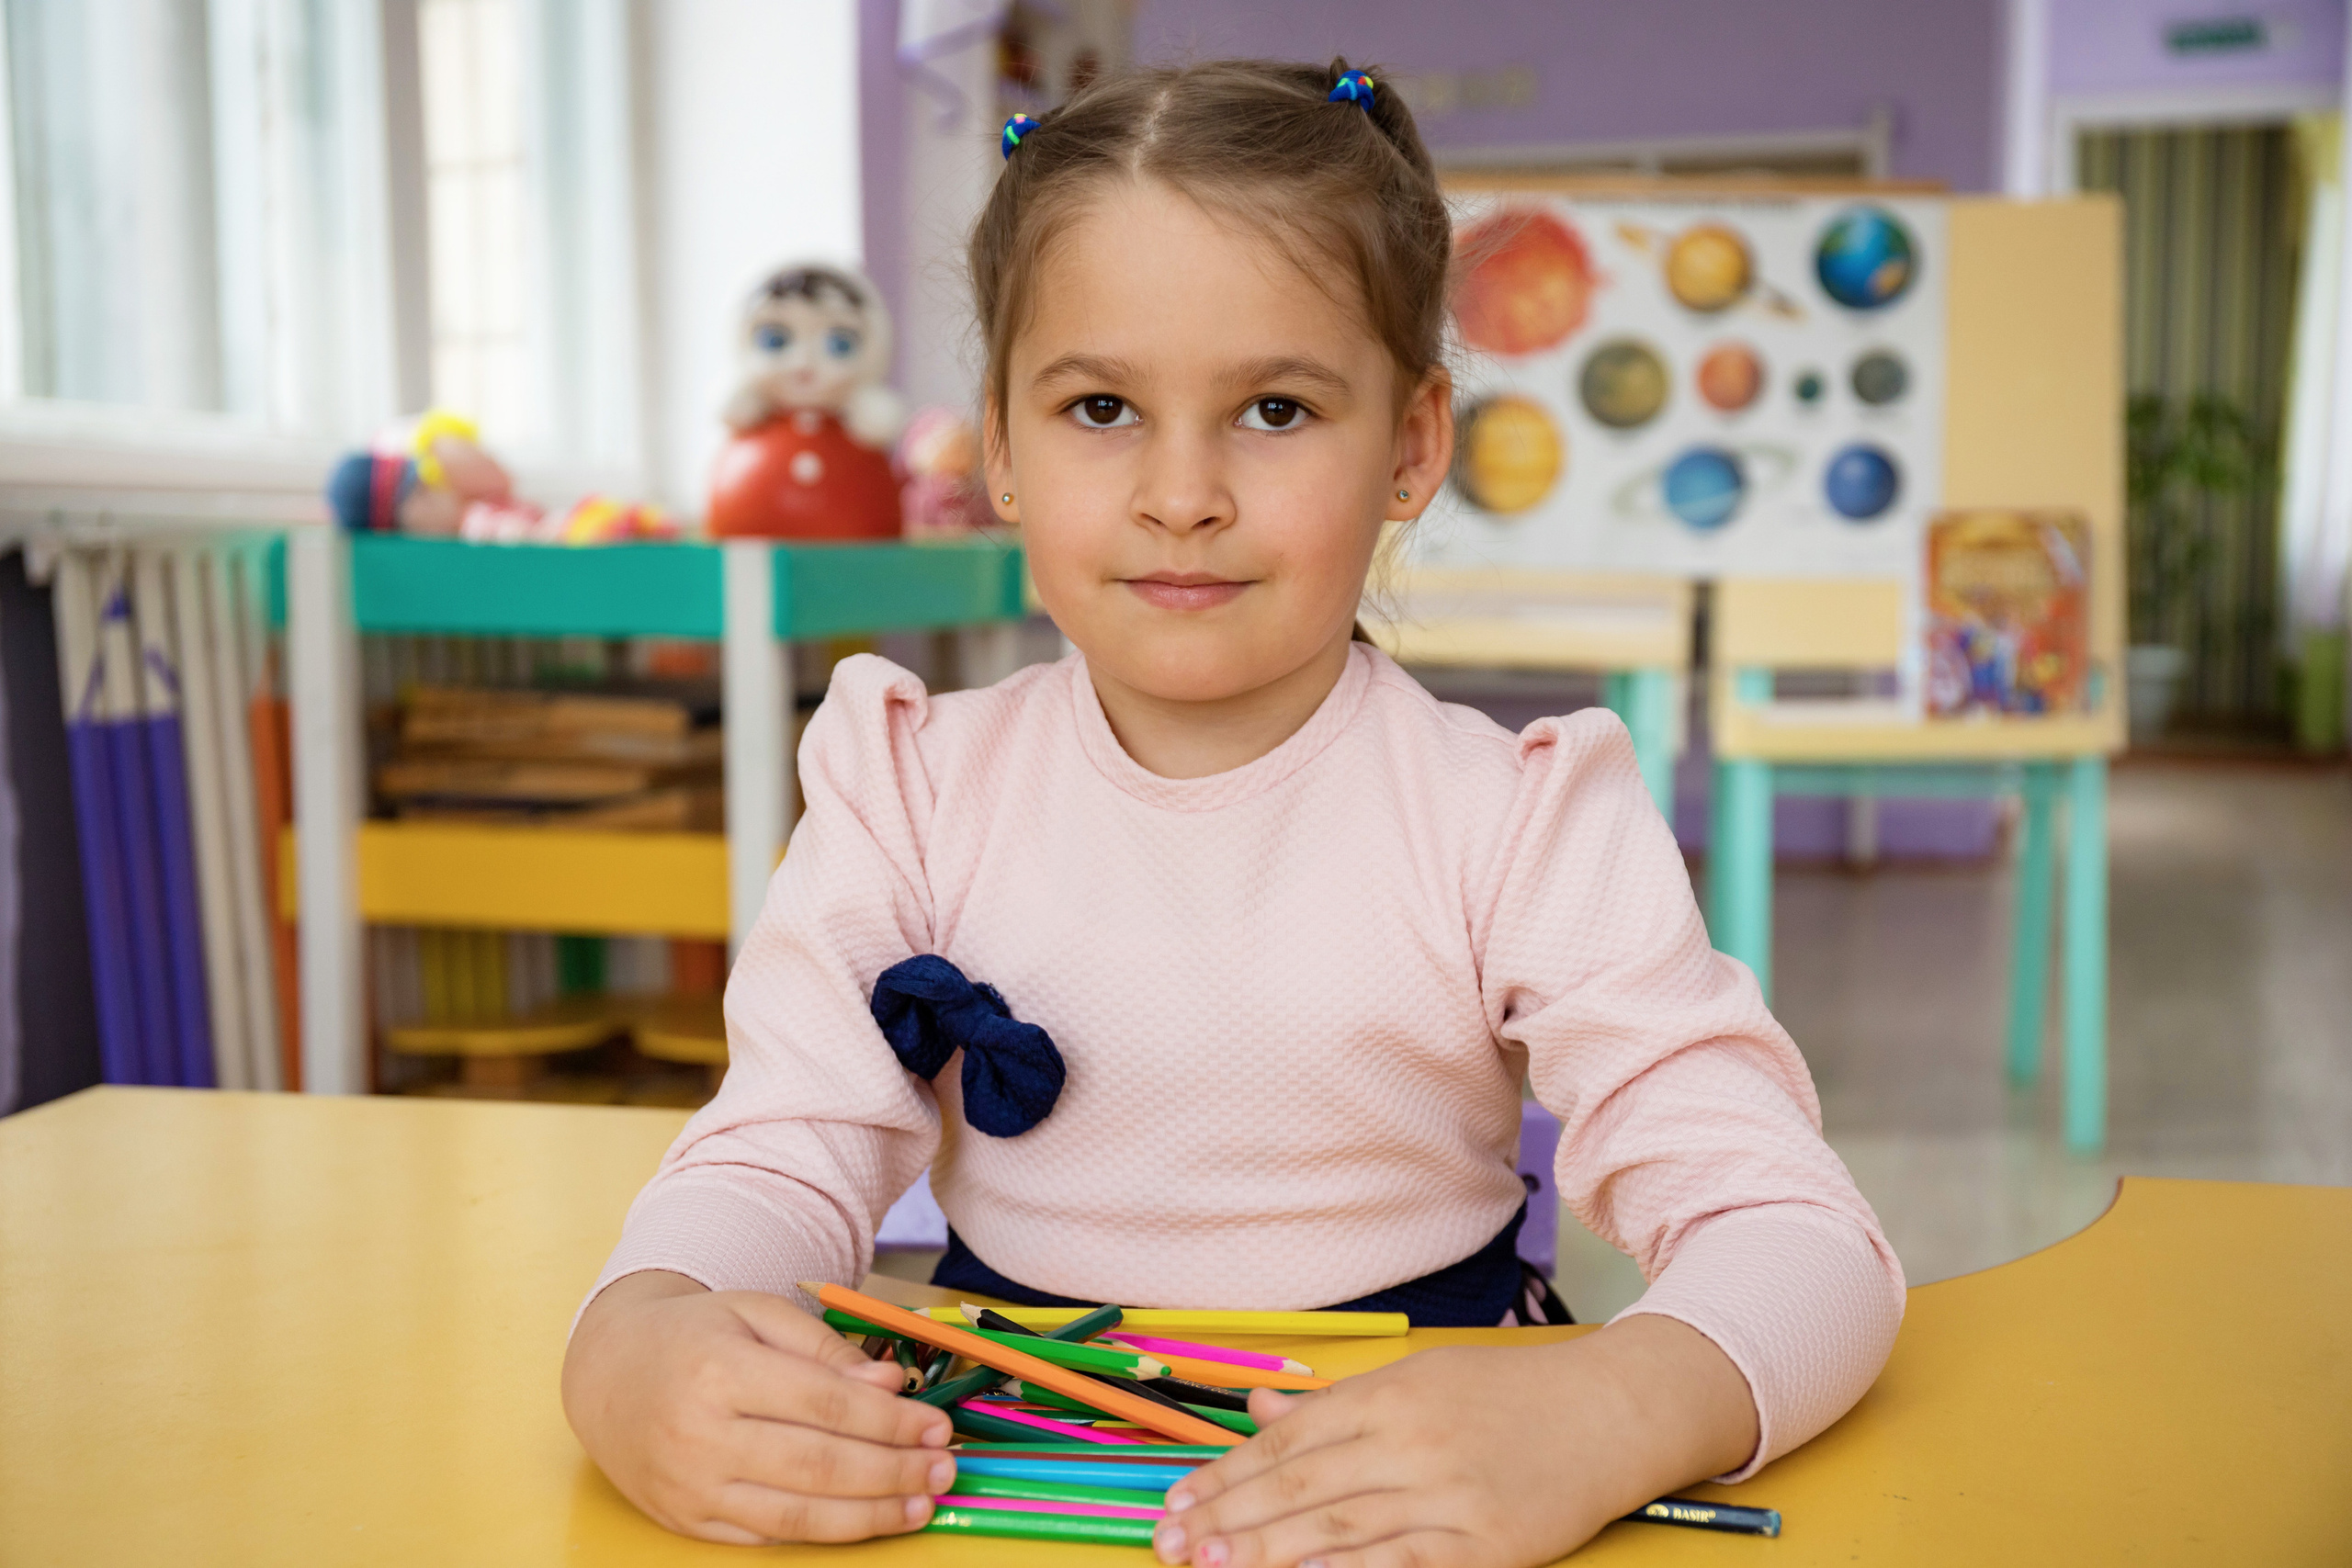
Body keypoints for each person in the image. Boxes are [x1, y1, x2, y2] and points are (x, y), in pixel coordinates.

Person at [562, 58, 1903, 1567]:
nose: (1182, 492)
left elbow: (1802, 1238)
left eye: (1275, 407)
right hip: (995, 1478)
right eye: (1101, 407)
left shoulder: (1521, 819)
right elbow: (773, 1163)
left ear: (1411, 447)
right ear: (999, 447)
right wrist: (632, 1345)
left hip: (1420, 1487)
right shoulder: (909, 789)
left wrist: (1611, 1410)